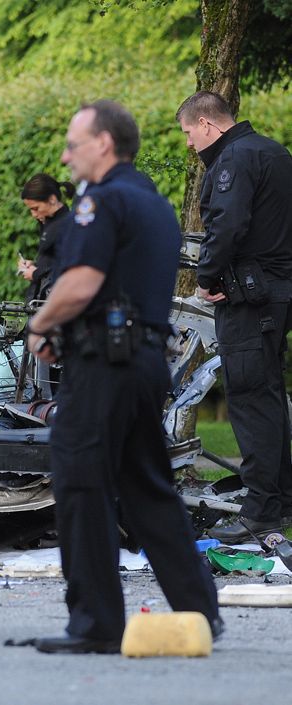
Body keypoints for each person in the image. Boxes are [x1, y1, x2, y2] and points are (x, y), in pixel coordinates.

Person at [24, 100, 221, 654]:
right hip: (145, 362)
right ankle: (202, 612)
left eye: (73, 144)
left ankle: (95, 624)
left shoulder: (101, 201)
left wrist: (40, 324)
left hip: (103, 365)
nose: (66, 157)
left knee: (82, 483)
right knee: (147, 489)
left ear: (103, 144)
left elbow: (82, 281)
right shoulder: (154, 204)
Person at [176, 91, 292, 543]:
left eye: (188, 132)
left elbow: (226, 225)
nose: (188, 143)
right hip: (278, 293)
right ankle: (279, 498)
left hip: (248, 296)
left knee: (249, 399)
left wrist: (205, 279)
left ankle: (261, 511)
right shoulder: (275, 152)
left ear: (207, 124)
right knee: (268, 396)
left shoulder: (233, 161)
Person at [17, 173, 74, 301]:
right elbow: (50, 260)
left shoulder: (66, 224)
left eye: (36, 208)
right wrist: (33, 264)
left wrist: (35, 273)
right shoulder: (49, 223)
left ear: (52, 199)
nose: (33, 214)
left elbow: (66, 265)